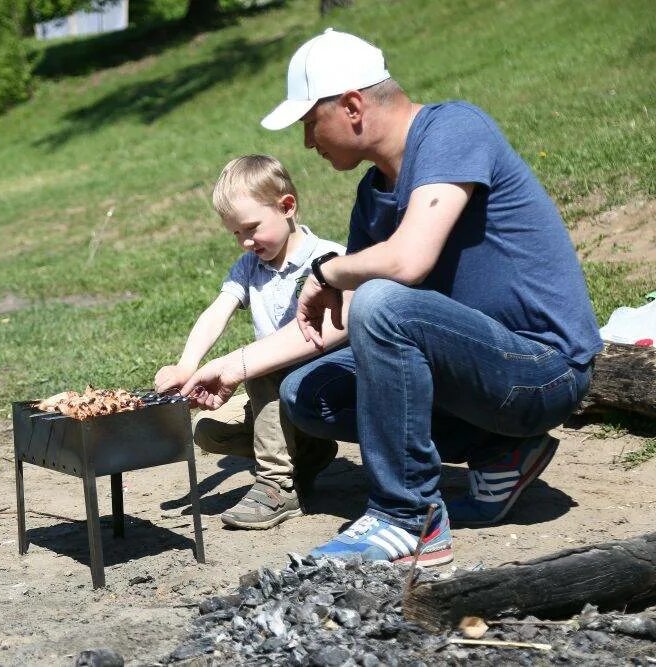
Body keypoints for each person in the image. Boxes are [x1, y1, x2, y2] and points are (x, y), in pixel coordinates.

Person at [181, 29, 601, 566]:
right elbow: (341, 319)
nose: (309, 142)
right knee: (307, 393)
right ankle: (498, 451)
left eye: (311, 123)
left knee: (383, 302)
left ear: (352, 106)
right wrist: (231, 367)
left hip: (543, 370)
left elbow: (408, 260)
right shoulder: (372, 193)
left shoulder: (453, 128)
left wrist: (328, 270)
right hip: (476, 375)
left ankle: (408, 517)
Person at [154, 155, 346, 529]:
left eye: (251, 228)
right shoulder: (249, 267)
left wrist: (248, 364)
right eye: (235, 234)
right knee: (209, 431)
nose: (244, 241)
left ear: (286, 206)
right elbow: (217, 311)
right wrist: (187, 364)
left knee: (260, 369)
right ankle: (307, 453)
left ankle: (276, 485)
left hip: (327, 381)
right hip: (277, 389)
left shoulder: (327, 259)